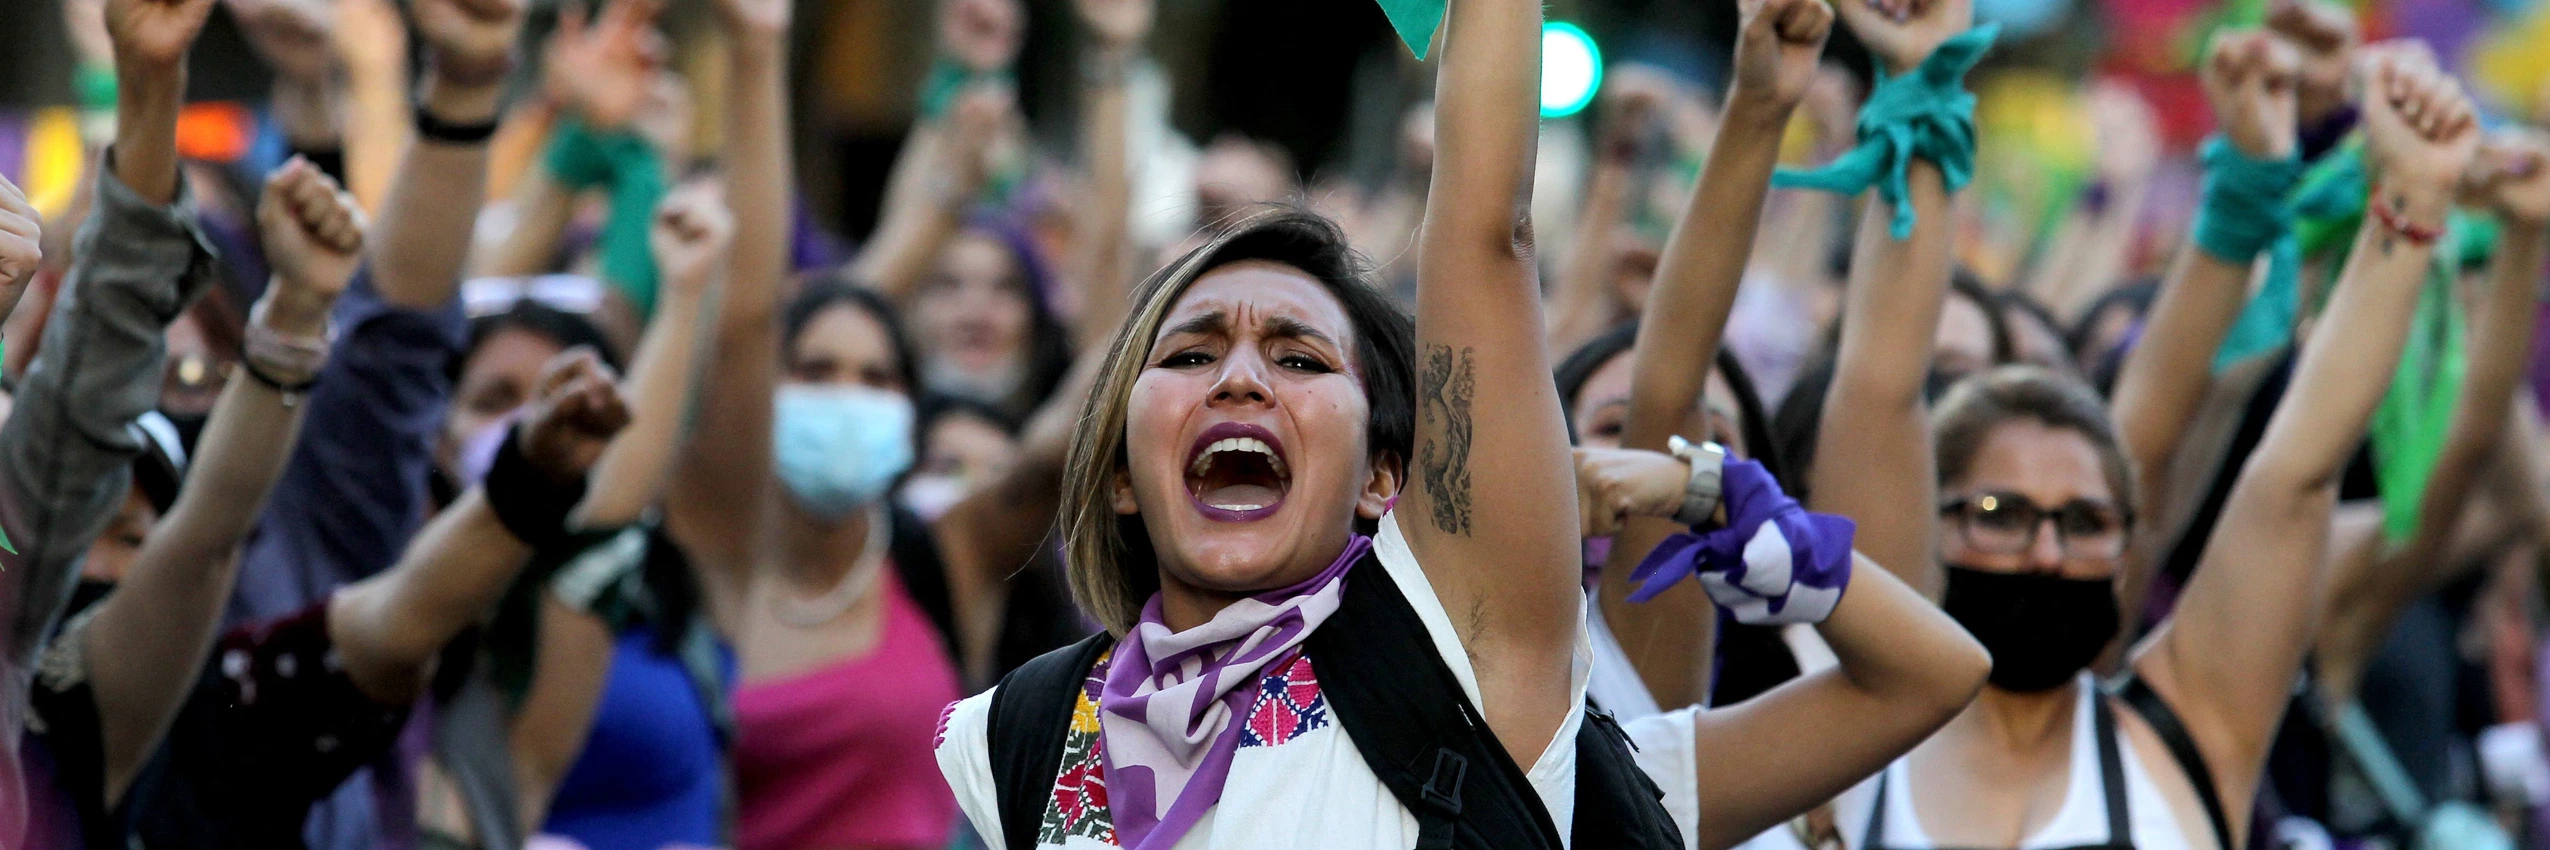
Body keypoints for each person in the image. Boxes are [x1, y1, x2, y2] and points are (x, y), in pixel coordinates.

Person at [1815, 24, 2481, 849]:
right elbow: (1879, 386)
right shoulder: (1841, 742)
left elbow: (2295, 475)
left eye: (2087, 521)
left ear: (2134, 543)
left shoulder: (2191, 735)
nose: (2048, 555)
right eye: (2001, 511)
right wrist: (1921, 83)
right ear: (1931, 523)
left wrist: (2413, 196)